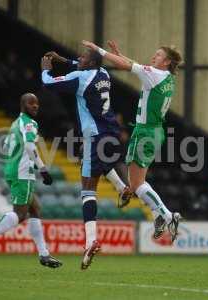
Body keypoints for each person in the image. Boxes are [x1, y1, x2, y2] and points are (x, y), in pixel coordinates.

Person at [82, 40, 182, 242]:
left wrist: (99, 51)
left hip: (145, 132)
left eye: (159, 55)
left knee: (135, 185)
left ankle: (167, 215)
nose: (154, 57)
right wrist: (120, 54)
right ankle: (158, 215)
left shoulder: (154, 74)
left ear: (167, 62)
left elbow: (126, 66)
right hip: (155, 131)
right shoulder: (167, 77)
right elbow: (133, 65)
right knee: (140, 182)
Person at [41, 49, 132, 270]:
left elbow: (50, 84)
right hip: (112, 133)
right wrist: (66, 61)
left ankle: (90, 241)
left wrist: (45, 70)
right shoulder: (104, 74)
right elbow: (85, 66)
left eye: (82, 57)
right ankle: (121, 188)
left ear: (89, 62)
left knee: (87, 189)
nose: (78, 59)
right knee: (98, 163)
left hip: (94, 134)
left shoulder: (81, 77)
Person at [0, 93, 62, 268]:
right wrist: (42, 169)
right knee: (21, 213)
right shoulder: (30, 123)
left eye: (37, 103)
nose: (35, 105)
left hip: (13, 170)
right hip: (23, 173)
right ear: (23, 105)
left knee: (35, 209)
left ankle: (44, 254)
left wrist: (15, 162)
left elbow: (7, 146)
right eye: (31, 103)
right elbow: (30, 147)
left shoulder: (16, 123)